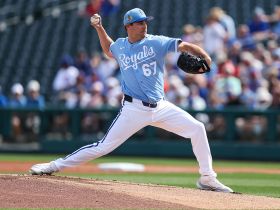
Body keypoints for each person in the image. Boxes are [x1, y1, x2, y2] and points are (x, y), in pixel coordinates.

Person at [29, 8, 233, 193]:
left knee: (197, 128)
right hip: (133, 109)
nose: (145, 25)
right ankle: (54, 165)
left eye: (145, 22)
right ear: (129, 26)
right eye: (140, 22)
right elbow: (109, 49)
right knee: (102, 146)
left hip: (160, 106)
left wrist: (206, 57)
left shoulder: (156, 41)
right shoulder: (121, 46)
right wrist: (99, 27)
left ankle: (207, 178)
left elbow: (185, 45)